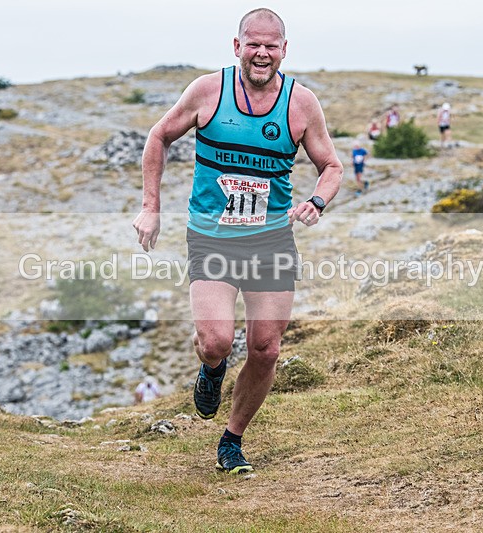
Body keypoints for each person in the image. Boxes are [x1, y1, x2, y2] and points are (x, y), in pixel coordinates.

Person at [132, 8, 343, 475]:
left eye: (271, 45)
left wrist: (317, 201)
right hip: (213, 239)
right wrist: (151, 206)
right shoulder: (208, 91)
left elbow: (331, 166)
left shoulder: (301, 103)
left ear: (284, 50)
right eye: (253, 44)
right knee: (216, 341)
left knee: (266, 348)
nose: (261, 53)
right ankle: (212, 368)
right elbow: (159, 136)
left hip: (271, 242)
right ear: (237, 47)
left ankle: (232, 440)